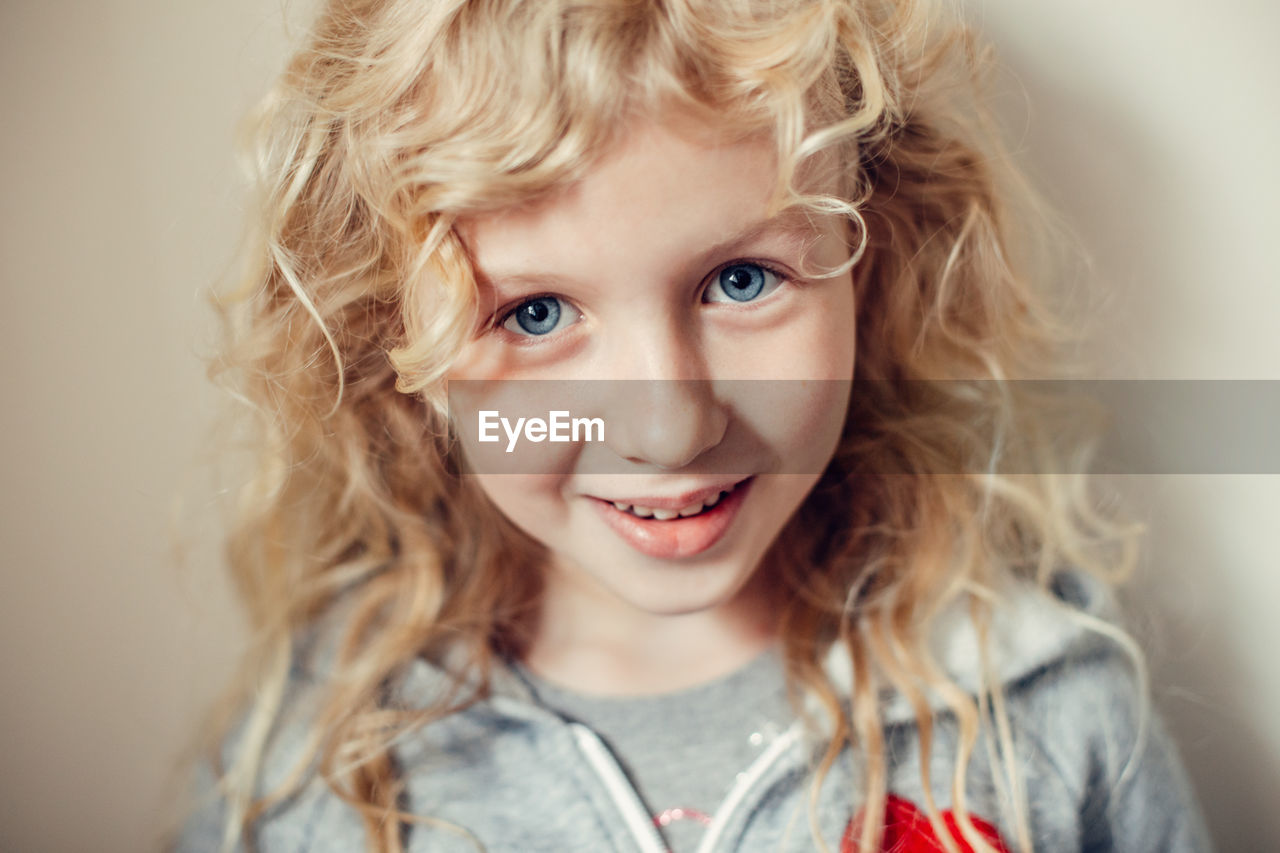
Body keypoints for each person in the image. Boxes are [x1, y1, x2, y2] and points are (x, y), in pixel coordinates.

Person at [172, 0, 1212, 851]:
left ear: (874, 264)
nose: (668, 429)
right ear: (393, 349)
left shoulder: (1045, 707)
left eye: (742, 279)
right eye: (532, 315)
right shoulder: (317, 772)